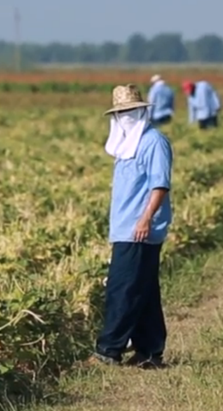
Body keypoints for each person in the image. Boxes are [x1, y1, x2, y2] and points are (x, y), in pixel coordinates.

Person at [90, 85, 172, 369]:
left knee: (121, 288)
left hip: (140, 229)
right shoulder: (125, 146)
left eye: (129, 111)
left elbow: (159, 184)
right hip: (125, 227)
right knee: (144, 289)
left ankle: (108, 350)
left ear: (140, 111)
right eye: (120, 112)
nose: (125, 116)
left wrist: (146, 218)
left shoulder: (153, 142)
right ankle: (150, 351)